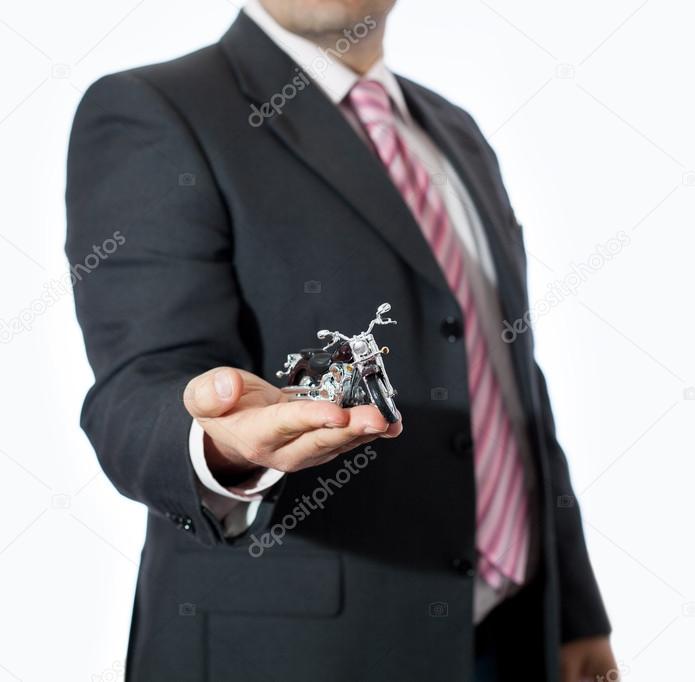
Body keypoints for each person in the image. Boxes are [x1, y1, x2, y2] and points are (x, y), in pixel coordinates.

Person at [66, 1, 615, 679]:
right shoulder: (154, 110)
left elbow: (508, 379)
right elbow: (136, 385)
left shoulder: (455, 133)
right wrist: (217, 446)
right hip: (299, 654)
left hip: (508, 639)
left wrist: (574, 614)